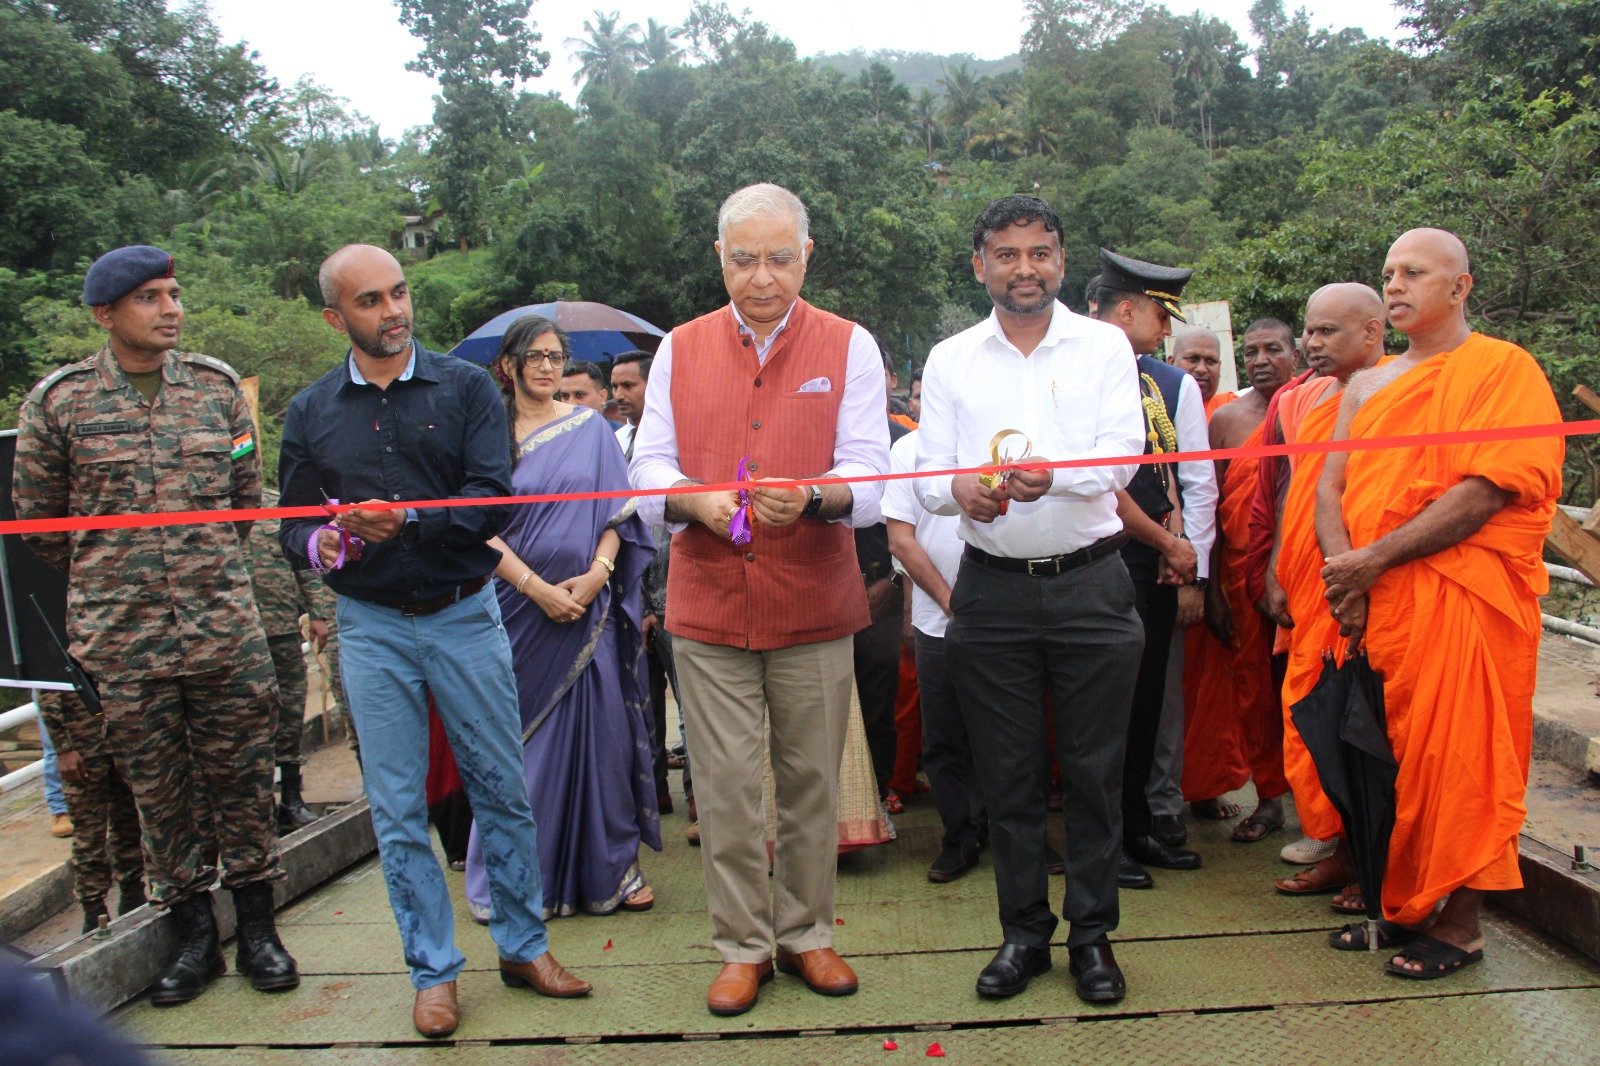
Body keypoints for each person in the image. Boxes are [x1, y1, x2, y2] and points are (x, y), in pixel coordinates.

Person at [278, 245, 589, 1039]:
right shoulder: (310, 410)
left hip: (464, 614)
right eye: (371, 301)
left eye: (400, 292)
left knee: (501, 787)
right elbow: (293, 521)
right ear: (335, 318)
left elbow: (492, 503)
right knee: (395, 807)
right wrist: (322, 544)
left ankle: (523, 947)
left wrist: (409, 519)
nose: (394, 311)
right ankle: (433, 972)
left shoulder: (464, 390)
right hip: (370, 627)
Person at [13, 244, 296, 1007]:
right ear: (105, 315)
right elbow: (39, 523)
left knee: (243, 782)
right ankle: (193, 939)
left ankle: (260, 931)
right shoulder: (59, 403)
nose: (171, 309)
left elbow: (243, 503)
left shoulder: (216, 389)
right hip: (122, 639)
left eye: (173, 293)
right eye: (150, 297)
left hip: (222, 626)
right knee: (158, 795)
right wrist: (119, 576)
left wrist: (198, 571)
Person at [630, 182, 888, 1018]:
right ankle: (742, 948)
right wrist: (693, 501)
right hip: (708, 605)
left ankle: (807, 934)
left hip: (814, 599)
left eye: (780, 257)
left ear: (807, 255)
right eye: (744, 259)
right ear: (720, 258)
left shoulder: (850, 345)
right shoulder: (679, 348)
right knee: (726, 786)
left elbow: (873, 474)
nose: (763, 277)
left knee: (812, 781)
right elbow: (646, 470)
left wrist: (814, 496)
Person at [1314, 229, 1561, 976]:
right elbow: (1330, 488)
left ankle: (1461, 926)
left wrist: (1372, 562)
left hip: (1461, 598)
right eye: (1388, 272)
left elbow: (1487, 489)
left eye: (1414, 272)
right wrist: (1345, 576)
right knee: (1389, 758)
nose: (1395, 285)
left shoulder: (1503, 370)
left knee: (1462, 760)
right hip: (1377, 602)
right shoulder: (1369, 385)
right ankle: (1402, 905)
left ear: (1460, 287)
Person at [918, 195, 1145, 1004]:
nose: (1025, 269)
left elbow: (1124, 455)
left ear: (1061, 260)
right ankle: (1022, 936)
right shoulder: (950, 359)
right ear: (980, 264)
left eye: (1040, 253)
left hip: (1091, 584)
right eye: (1007, 254)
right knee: (1007, 777)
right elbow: (929, 472)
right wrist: (960, 493)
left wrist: (1056, 476)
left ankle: (1092, 938)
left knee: (1093, 774)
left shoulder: (1105, 345)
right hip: (991, 592)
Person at [462, 315, 661, 920]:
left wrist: (599, 573)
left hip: (588, 609)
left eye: (555, 356)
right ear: (508, 365)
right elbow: (473, 527)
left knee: (602, 736)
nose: (547, 367)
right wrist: (537, 589)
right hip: (515, 611)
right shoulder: (482, 436)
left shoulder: (590, 431)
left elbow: (618, 515)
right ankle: (516, 881)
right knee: (518, 748)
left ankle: (610, 869)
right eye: (535, 356)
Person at [1092, 248, 1218, 885]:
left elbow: (1197, 482)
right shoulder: (1070, 370)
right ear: (1125, 310)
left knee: (1143, 700)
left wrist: (1189, 561)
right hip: (1087, 555)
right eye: (1160, 316)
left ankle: (1139, 828)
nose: (1167, 332)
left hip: (1152, 562)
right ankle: (1101, 839)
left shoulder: (1172, 385)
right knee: (1096, 707)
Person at [1264, 284, 1385, 904]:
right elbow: (1298, 490)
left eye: (1327, 331)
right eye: (1309, 330)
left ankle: (1373, 863)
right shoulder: (1314, 399)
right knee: (1312, 717)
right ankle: (1341, 847)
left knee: (1362, 728)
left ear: (1372, 332)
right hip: (1311, 588)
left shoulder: (1394, 393)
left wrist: (1356, 578)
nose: (1312, 343)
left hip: (1364, 588)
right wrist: (1278, 568)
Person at [1179, 319, 1298, 842]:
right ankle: (1270, 799)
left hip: (1303, 572)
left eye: (1273, 349)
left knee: (1309, 688)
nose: (1261, 360)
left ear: (1296, 355)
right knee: (1254, 688)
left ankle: (1324, 808)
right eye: (1251, 352)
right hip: (1241, 575)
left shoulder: (1318, 407)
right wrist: (1212, 589)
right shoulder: (1226, 421)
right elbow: (1210, 507)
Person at [884, 429, 984, 882]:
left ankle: (1021, 835)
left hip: (1006, 618)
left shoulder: (998, 438)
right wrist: (948, 600)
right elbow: (900, 540)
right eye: (922, 396)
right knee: (944, 737)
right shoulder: (908, 451)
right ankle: (960, 836)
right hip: (937, 619)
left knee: (1013, 734)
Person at [609, 349, 675, 816]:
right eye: (614, 386)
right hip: (630, 596)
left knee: (693, 707)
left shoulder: (675, 443)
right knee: (642, 702)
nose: (619, 395)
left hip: (675, 594)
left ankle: (701, 799)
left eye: (628, 385)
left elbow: (661, 526)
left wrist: (657, 602)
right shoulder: (614, 443)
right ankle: (653, 797)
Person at [246, 486, 330, 832]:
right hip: (238, 636)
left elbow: (303, 563)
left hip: (281, 626)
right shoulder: (209, 506)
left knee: (291, 711)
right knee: (248, 722)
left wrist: (317, 612)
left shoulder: (276, 504)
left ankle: (292, 800)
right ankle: (257, 812)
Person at [36, 689, 146, 932]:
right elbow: (48, 693)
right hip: (82, 744)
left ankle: (132, 892)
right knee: (89, 832)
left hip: (119, 732)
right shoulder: (57, 661)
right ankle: (94, 908)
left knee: (128, 820)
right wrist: (63, 748)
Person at [1169, 327, 1237, 416]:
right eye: (1192, 359)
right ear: (1171, 363)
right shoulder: (1155, 412)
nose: (1201, 369)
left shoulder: (1237, 410)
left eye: (1211, 361)